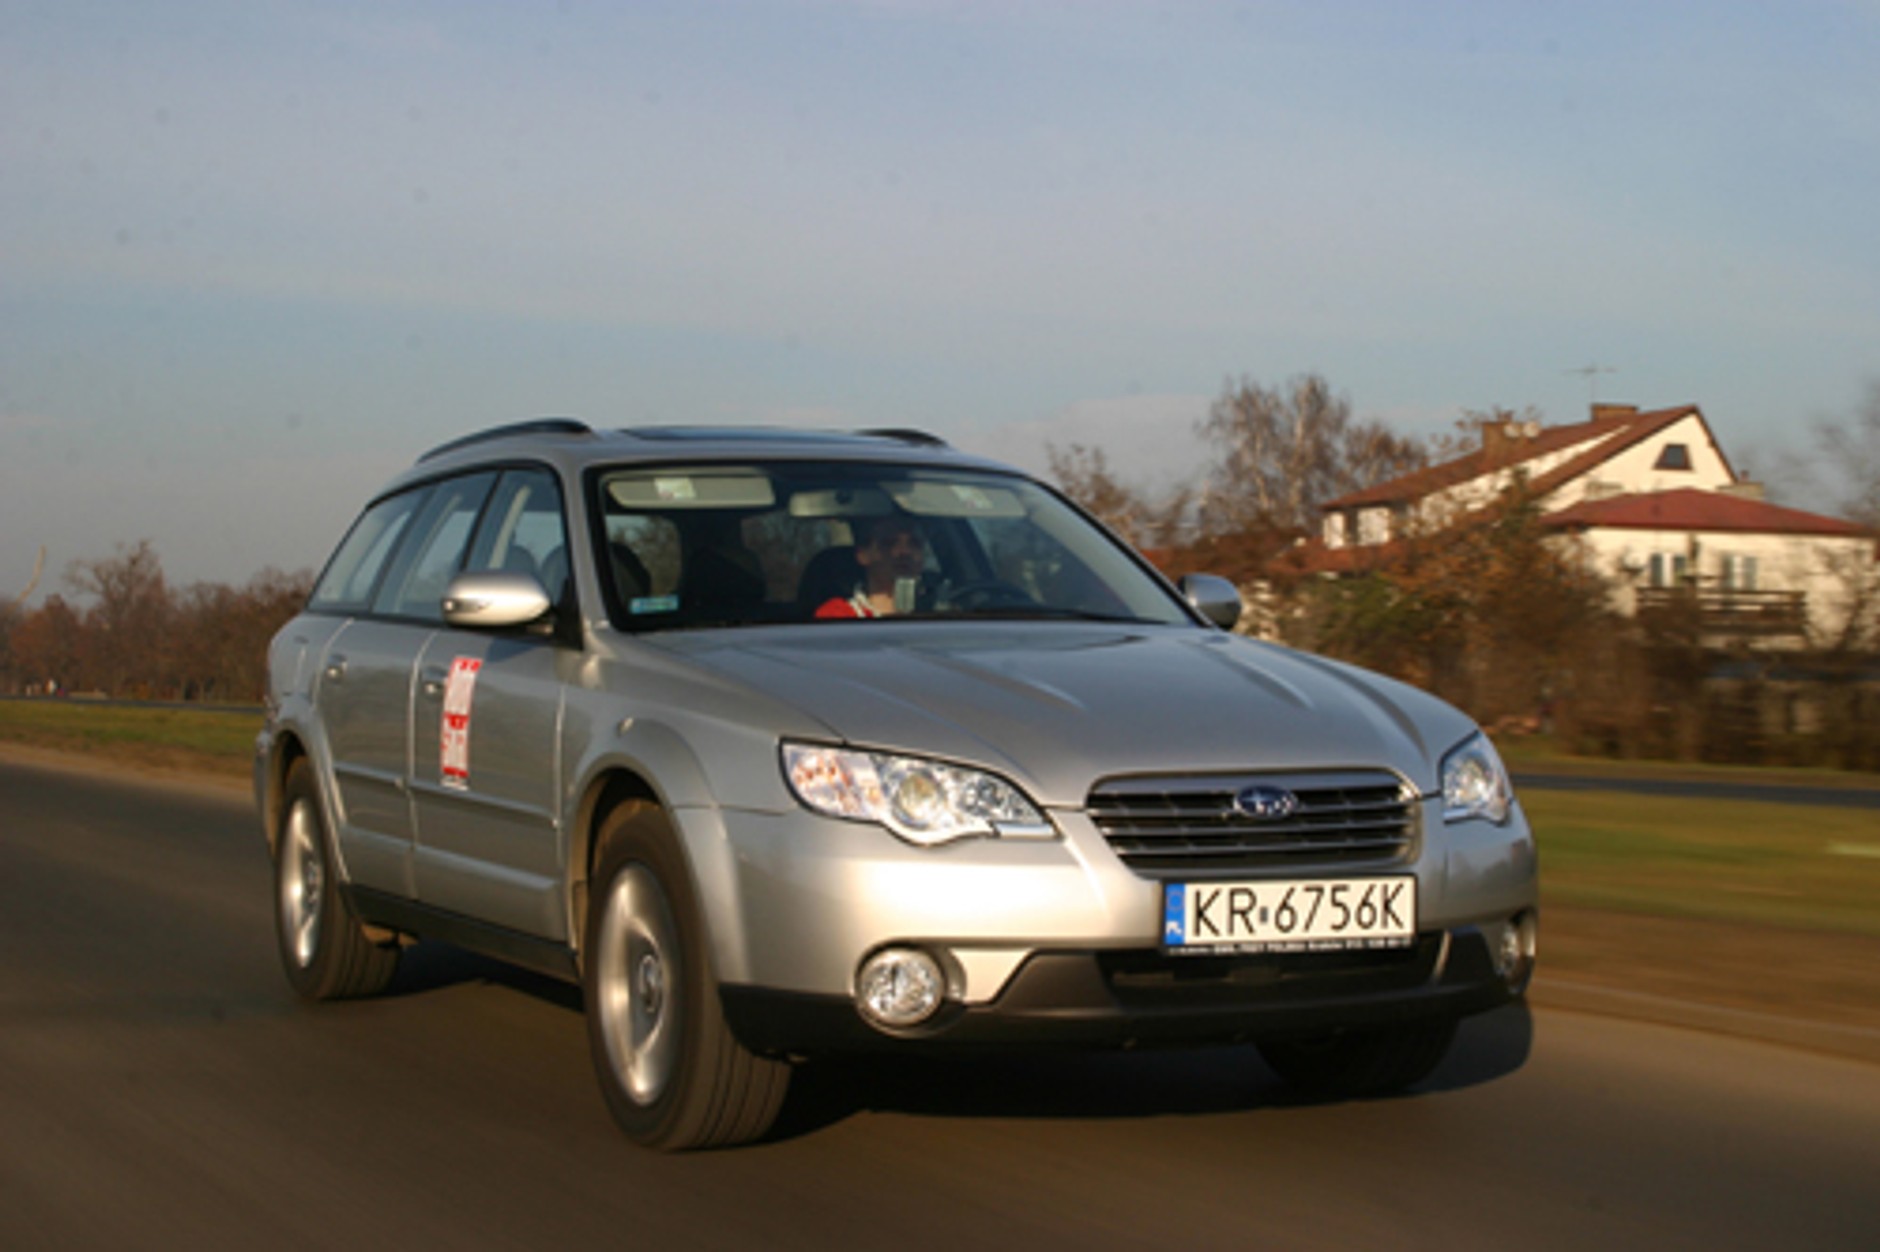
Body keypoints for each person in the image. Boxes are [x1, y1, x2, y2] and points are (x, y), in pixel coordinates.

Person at [815, 516, 927, 618]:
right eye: (889, 543)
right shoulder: (838, 615)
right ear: (863, 555)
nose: (905, 552)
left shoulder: (938, 613)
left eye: (915, 543)